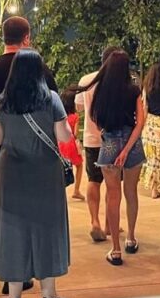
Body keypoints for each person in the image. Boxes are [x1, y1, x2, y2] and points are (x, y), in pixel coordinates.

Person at [0, 16, 57, 294]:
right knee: (21, 212)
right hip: (28, 156)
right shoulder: (38, 70)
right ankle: (15, 275)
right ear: (26, 38)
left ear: (4, 36)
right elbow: (53, 109)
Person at [0, 49, 71, 298]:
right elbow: (63, 136)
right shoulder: (51, 99)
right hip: (45, 171)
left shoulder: (3, 100)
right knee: (46, 228)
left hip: (11, 172)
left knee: (13, 229)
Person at [86, 50, 147, 265]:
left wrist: (107, 135)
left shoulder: (101, 90)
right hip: (133, 143)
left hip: (110, 143)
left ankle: (116, 249)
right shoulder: (134, 90)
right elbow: (140, 122)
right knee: (131, 192)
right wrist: (127, 148)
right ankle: (131, 237)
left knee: (113, 196)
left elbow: (94, 117)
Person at [77, 46, 118, 243]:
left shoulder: (86, 80)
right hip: (112, 139)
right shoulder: (117, 82)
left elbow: (78, 106)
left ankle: (95, 221)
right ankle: (110, 225)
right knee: (112, 184)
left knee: (93, 180)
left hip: (91, 139)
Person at [140, 62, 160, 199]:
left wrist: (141, 127)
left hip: (151, 125)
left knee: (152, 159)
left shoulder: (147, 89)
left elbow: (145, 109)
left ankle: (154, 188)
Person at [58, 88, 84, 201]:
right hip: (71, 143)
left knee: (62, 167)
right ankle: (76, 190)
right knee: (79, 165)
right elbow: (76, 133)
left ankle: (60, 190)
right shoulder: (75, 116)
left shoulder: (60, 116)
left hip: (61, 143)